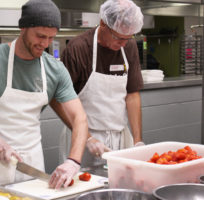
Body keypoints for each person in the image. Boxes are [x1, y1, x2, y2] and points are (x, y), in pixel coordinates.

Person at [0, 0, 88, 189]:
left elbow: (79, 117)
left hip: (33, 163)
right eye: (40, 36)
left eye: (51, 38)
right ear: (23, 28)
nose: (45, 44)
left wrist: (73, 161)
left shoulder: (55, 69)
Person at [53, 0, 145, 167]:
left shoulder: (129, 46)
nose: (123, 44)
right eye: (118, 38)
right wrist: (87, 137)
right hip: (83, 137)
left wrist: (138, 141)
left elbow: (132, 95)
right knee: (82, 185)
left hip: (119, 135)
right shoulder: (79, 48)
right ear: (103, 23)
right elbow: (57, 99)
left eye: (128, 38)